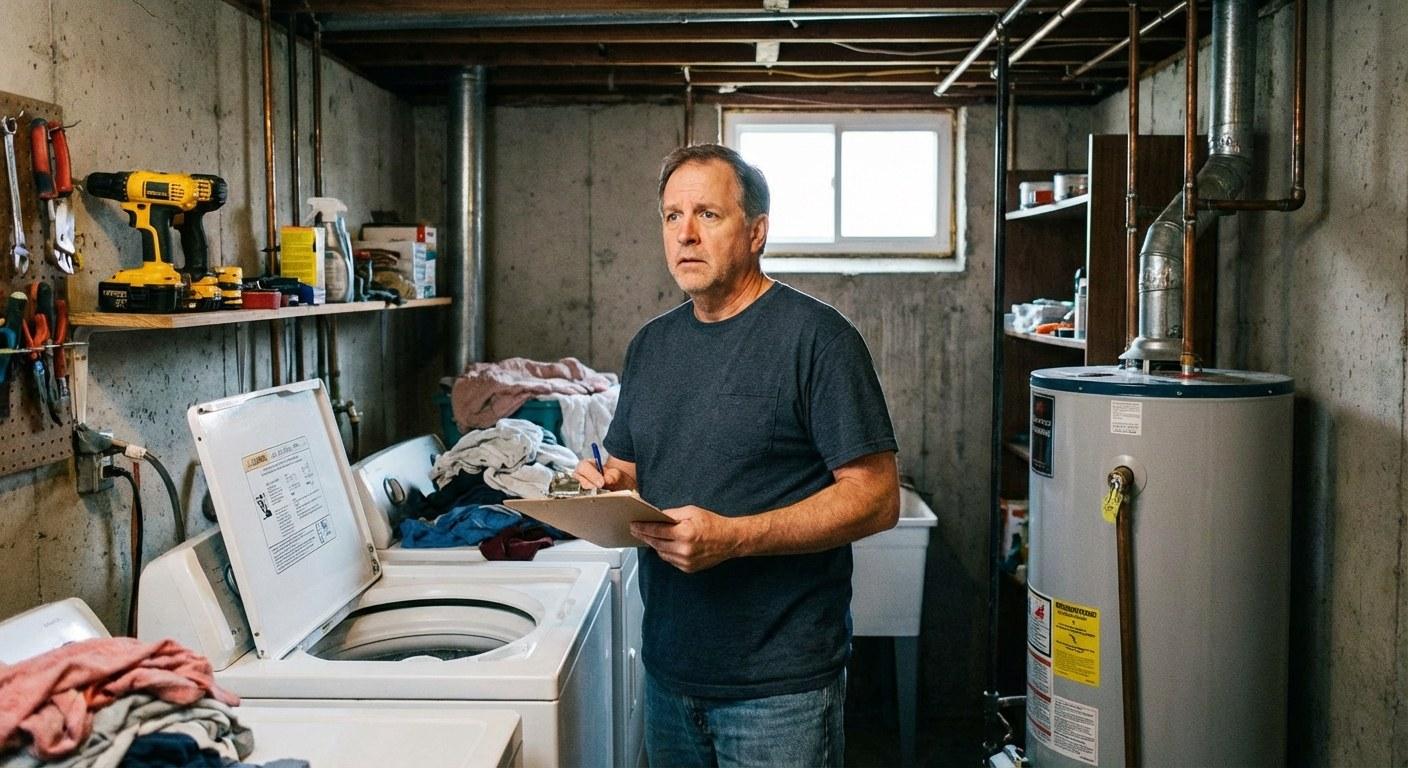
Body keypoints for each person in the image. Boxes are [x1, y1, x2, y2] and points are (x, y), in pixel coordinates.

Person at [575, 143, 899, 768]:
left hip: (781, 690)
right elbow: (632, 471)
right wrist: (604, 486)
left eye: (708, 215)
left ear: (756, 232)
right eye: (672, 217)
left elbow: (877, 497)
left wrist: (736, 537)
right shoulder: (651, 346)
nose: (685, 235)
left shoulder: (819, 340)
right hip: (670, 675)